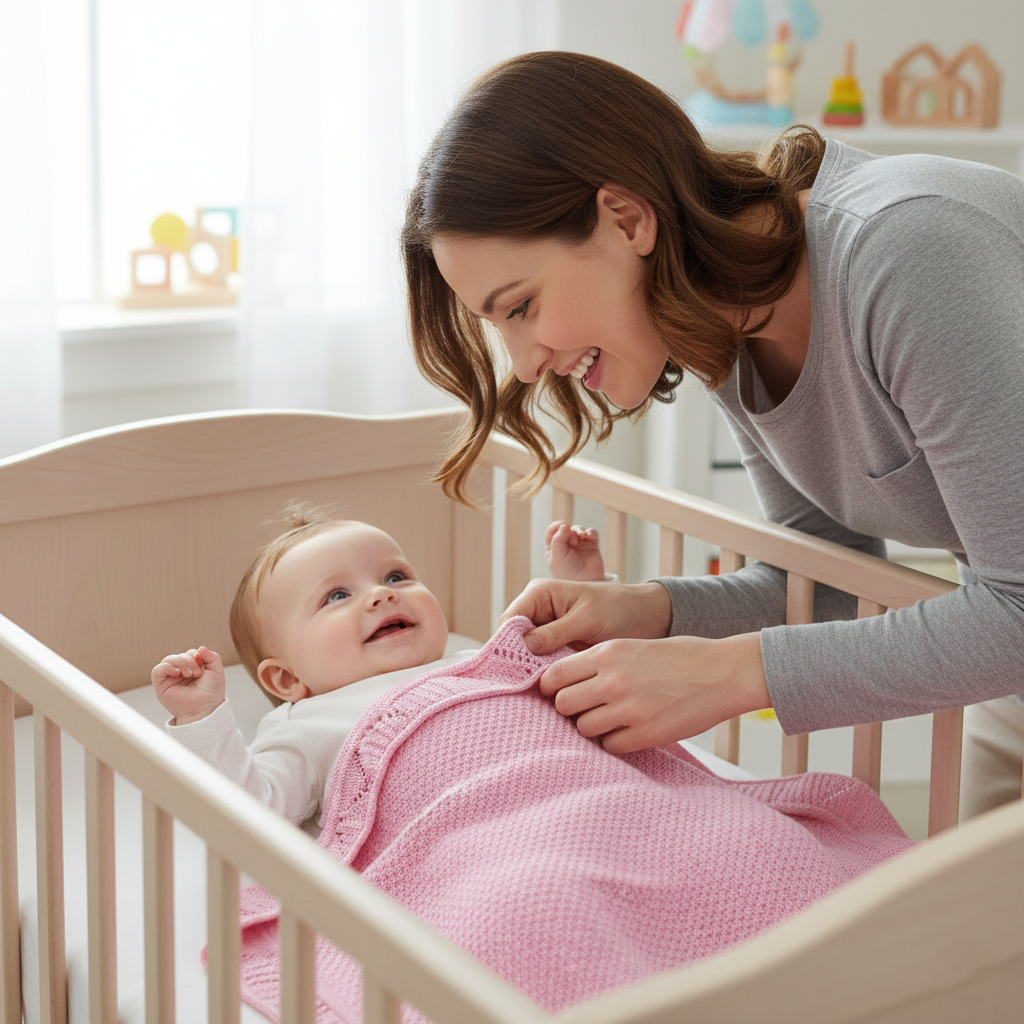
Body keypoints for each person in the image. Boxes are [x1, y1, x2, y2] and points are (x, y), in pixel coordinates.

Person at [401, 50, 1024, 807]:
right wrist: (653, 609)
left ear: (626, 218)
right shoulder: (726, 332)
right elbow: (828, 579)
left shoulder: (907, 254)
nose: (525, 365)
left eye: (521, 307)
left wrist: (730, 674)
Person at [151, 504, 605, 826]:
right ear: (287, 678)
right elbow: (249, 810)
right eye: (337, 596)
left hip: (590, 796)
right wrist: (202, 717)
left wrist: (584, 591)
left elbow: (589, 674)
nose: (382, 594)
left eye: (395, 576)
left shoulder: (483, 660)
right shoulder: (307, 724)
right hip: (474, 836)